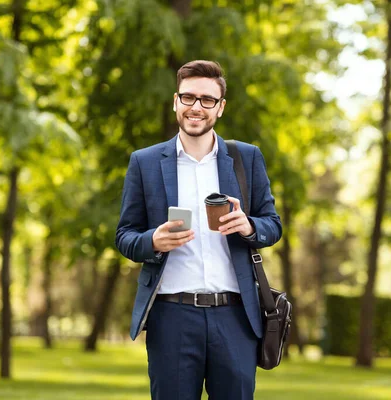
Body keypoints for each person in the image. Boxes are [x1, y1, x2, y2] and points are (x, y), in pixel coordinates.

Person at [115, 60, 282, 400]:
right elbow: (125, 235)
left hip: (236, 317)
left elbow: (272, 225)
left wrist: (250, 226)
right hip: (171, 317)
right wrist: (153, 241)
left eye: (207, 100)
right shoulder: (144, 162)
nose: (196, 107)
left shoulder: (245, 158)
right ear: (176, 101)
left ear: (220, 108)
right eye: (188, 97)